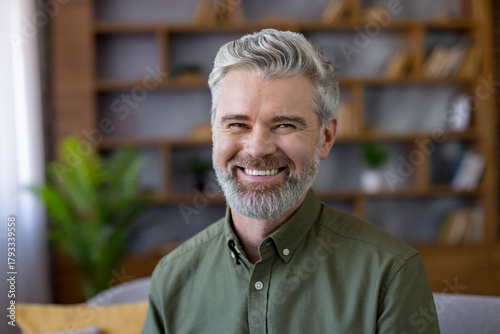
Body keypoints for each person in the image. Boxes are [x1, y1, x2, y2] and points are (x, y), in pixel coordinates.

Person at [142, 29, 440, 333]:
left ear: (325, 138)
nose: (258, 148)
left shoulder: (389, 274)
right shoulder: (172, 278)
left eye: (284, 125)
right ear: (214, 133)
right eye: (237, 124)